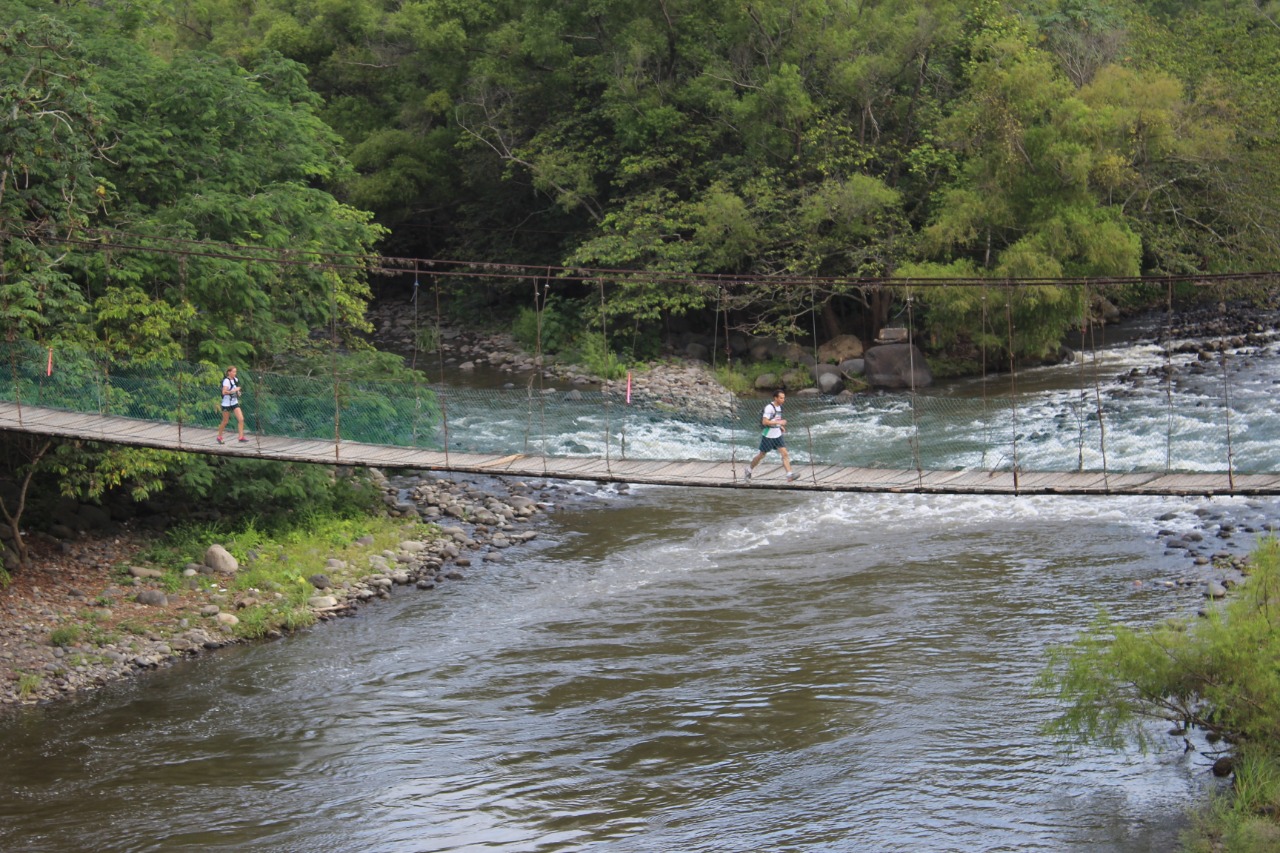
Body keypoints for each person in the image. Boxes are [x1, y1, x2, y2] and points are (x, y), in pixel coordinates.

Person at [745, 389, 796, 482]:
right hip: (768, 435)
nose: (783, 400)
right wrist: (779, 422)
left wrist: (780, 426)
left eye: (784, 398)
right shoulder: (769, 408)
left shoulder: (780, 407)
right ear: (775, 398)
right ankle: (749, 469)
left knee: (785, 454)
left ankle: (789, 475)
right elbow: (765, 422)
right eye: (781, 398)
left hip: (778, 435)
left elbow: (775, 419)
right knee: (761, 455)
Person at [217, 365, 247, 444]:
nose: (235, 373)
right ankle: (219, 436)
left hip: (234, 402)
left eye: (235, 372)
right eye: (233, 372)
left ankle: (241, 437)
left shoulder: (236, 379)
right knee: (225, 421)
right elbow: (224, 392)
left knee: (241, 419)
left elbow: (236, 389)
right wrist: (233, 391)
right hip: (226, 404)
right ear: (229, 372)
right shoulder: (226, 381)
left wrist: (238, 392)